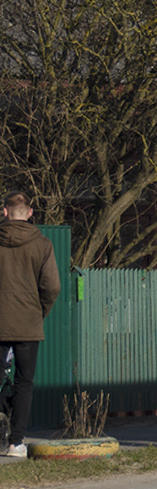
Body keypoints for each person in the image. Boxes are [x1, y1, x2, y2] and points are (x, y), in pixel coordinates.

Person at [0, 193, 61, 458]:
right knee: (24, 383)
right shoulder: (42, 245)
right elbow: (52, 286)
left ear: (4, 212)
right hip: (27, 322)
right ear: (31, 213)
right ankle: (16, 443)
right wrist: (40, 311)